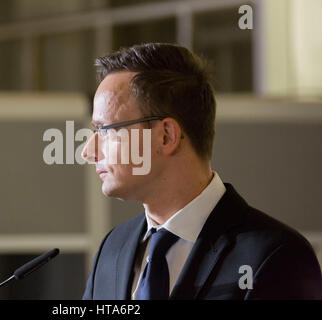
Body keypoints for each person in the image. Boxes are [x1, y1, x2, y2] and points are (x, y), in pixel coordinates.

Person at [80, 43, 322, 300]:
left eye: (105, 130)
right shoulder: (113, 250)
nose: (88, 151)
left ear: (166, 136)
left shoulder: (276, 257)